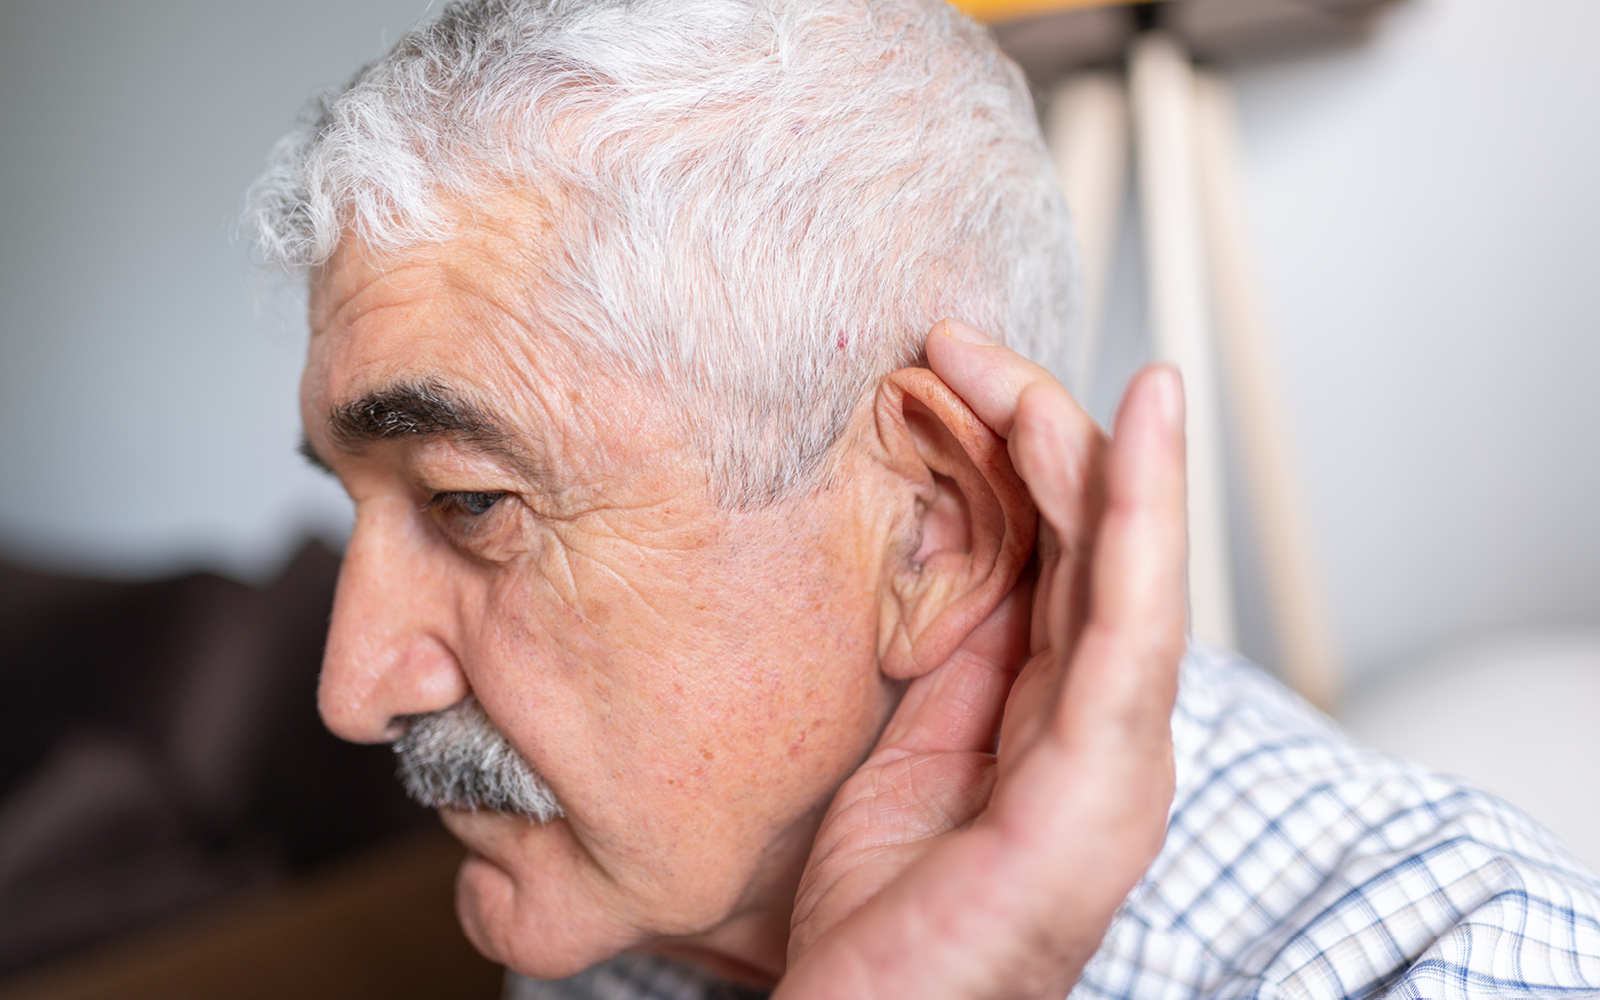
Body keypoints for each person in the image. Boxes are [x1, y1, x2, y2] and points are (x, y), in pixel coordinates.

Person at [250, 0, 1600, 996]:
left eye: (471, 502)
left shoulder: (1453, 960)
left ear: (931, 525)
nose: (356, 686)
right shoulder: (623, 928)